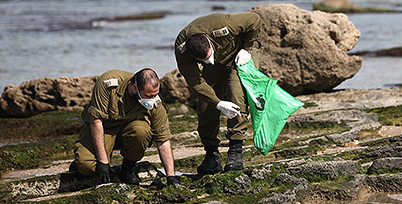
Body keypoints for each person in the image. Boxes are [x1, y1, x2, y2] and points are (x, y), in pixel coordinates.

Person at [174, 11, 261, 174]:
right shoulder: (182, 50)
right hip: (216, 67)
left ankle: (235, 151)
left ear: (210, 42)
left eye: (209, 55)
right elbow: (196, 83)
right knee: (206, 104)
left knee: (237, 96)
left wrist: (246, 48)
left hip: (240, 54)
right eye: (204, 60)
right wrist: (218, 103)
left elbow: (254, 20)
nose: (209, 59)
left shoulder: (224, 24)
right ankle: (211, 154)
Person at [72, 68, 180, 186]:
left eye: (155, 95)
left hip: (129, 133)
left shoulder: (155, 102)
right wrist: (103, 163)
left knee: (141, 131)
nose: (152, 99)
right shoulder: (108, 83)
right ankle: (81, 161)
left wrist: (171, 176)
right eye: (148, 96)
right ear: (134, 87)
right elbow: (96, 121)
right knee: (87, 167)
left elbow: (163, 139)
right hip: (103, 129)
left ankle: (127, 168)